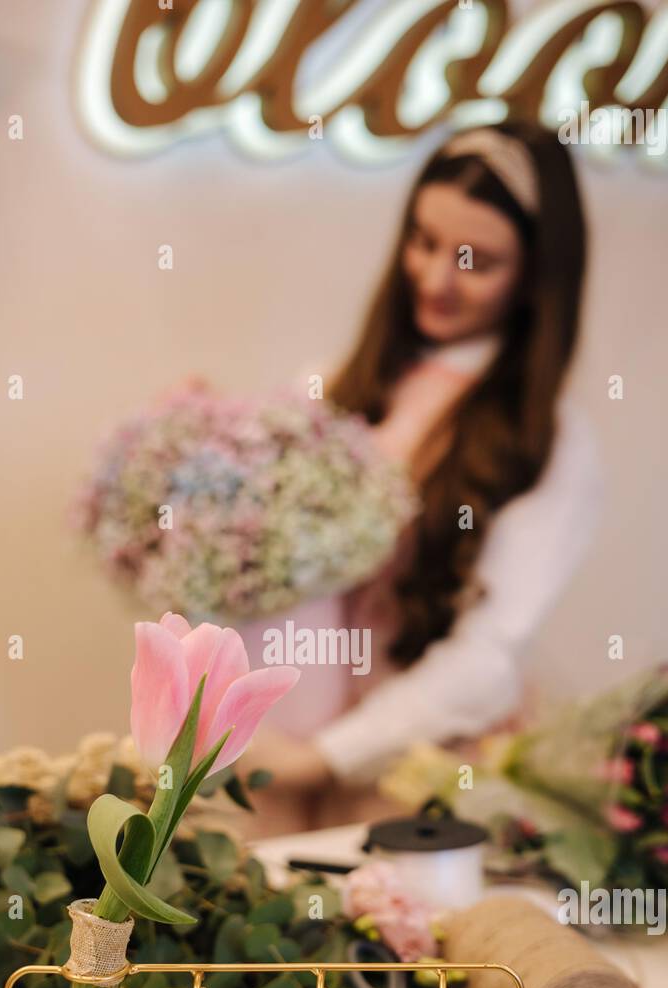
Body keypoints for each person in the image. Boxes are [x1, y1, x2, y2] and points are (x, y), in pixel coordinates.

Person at [237, 121, 601, 835]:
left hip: (418, 771)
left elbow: (487, 658)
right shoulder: (326, 390)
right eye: (424, 242)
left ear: (535, 277)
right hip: (285, 748)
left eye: (475, 261)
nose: (435, 279)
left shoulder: (550, 443)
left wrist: (326, 758)